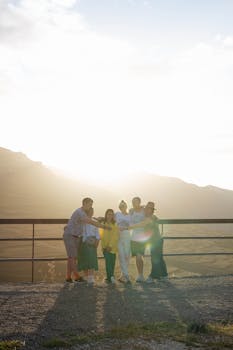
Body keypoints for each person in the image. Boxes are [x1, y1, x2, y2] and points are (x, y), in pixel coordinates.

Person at [63, 197, 109, 283]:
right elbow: (90, 221)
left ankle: (68, 277)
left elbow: (92, 218)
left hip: (75, 236)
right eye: (90, 204)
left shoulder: (82, 212)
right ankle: (77, 276)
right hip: (70, 235)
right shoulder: (80, 212)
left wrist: (102, 219)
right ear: (84, 203)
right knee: (72, 257)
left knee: (71, 257)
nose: (90, 206)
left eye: (91, 205)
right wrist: (104, 227)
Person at [144, 202, 168, 283]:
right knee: (159, 258)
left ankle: (153, 276)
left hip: (156, 240)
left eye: (151, 208)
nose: (149, 210)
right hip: (154, 240)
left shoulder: (153, 217)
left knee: (156, 258)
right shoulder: (148, 216)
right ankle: (164, 275)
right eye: (148, 208)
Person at [77, 207, 100, 285]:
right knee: (84, 259)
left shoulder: (95, 222)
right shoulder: (82, 221)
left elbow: (97, 234)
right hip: (83, 241)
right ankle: (86, 276)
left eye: (92, 211)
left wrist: (97, 242)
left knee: (92, 259)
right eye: (89, 211)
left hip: (93, 241)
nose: (91, 212)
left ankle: (91, 276)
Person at [129, 197, 147, 282]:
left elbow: (146, 221)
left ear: (139, 202)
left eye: (135, 202)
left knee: (140, 256)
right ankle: (139, 275)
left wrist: (136, 225)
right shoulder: (131, 211)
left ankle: (141, 274)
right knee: (137, 256)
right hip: (134, 236)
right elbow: (129, 222)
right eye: (133, 202)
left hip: (142, 236)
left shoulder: (144, 210)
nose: (134, 203)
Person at [100, 209, 119, 284]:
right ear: (106, 215)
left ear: (113, 216)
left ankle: (110, 277)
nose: (110, 216)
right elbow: (101, 234)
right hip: (105, 246)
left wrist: (110, 245)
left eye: (111, 214)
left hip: (112, 246)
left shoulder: (115, 224)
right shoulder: (103, 223)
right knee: (108, 262)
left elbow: (115, 236)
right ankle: (111, 277)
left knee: (112, 262)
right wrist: (104, 246)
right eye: (108, 214)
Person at [115, 200, 131, 283]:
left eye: (124, 206)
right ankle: (126, 275)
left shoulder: (130, 215)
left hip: (127, 235)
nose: (122, 207)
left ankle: (123, 275)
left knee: (127, 255)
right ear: (119, 207)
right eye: (121, 206)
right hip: (119, 236)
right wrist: (100, 218)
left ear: (126, 207)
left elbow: (132, 225)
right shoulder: (117, 214)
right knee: (121, 255)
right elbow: (109, 218)